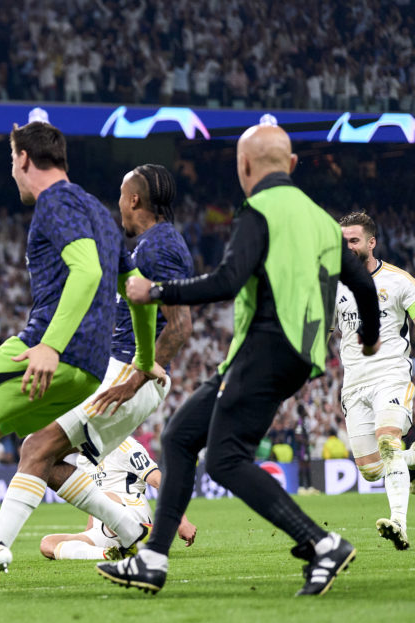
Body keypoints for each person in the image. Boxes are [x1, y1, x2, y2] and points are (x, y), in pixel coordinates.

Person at [97, 123, 382, 597]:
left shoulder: (258, 211)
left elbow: (228, 280)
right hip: (295, 354)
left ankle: (321, 542)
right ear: (291, 166)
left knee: (225, 459)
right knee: (181, 436)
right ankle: (152, 560)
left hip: (265, 347)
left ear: (244, 167)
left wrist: (156, 291)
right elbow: (363, 284)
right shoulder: (320, 221)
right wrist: (370, 337)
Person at [0, 121, 162, 596]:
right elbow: (137, 289)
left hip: (42, 351)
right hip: (86, 372)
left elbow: (85, 271)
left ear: (23, 159)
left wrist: (49, 344)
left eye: (10, 161)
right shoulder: (98, 210)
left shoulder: (56, 202)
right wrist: (143, 359)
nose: (12, 171)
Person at [0, 163, 194, 555]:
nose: (118, 204)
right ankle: (127, 527)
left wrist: (134, 378)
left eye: (121, 195)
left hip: (128, 372)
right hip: (117, 368)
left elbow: (181, 325)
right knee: (44, 458)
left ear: (134, 199)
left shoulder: (161, 245)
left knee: (36, 449)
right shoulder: (145, 246)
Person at [334, 210, 415, 549]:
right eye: (343, 241)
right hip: (353, 385)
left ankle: (399, 522)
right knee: (370, 468)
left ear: (371, 242)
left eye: (354, 240)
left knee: (388, 439)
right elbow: (321, 332)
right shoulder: (332, 286)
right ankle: (408, 461)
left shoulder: (399, 281)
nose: (347, 246)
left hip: (391, 376)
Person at [39, 437, 197, 560]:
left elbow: (159, 481)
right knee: (47, 544)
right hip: (105, 525)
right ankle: (110, 554)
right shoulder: (83, 458)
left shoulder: (124, 445)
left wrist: (182, 521)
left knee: (104, 497)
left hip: (134, 511)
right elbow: (92, 500)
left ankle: (143, 536)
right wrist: (89, 533)